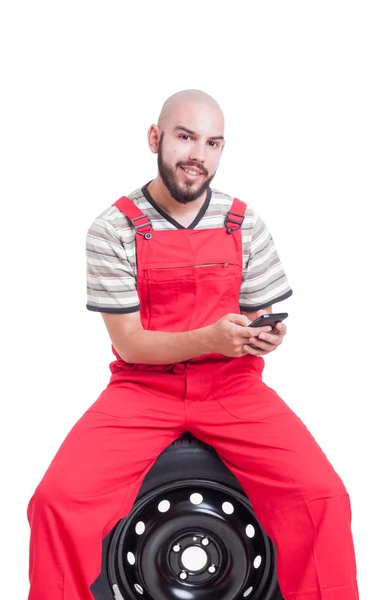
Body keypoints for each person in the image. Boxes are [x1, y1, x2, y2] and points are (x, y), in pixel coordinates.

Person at [27, 89, 359, 600]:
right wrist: (211, 338)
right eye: (185, 138)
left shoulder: (243, 221)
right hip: (143, 391)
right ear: (155, 139)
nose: (198, 156)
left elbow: (257, 315)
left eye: (213, 143)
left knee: (323, 498)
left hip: (233, 387)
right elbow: (132, 345)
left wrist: (264, 335)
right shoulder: (113, 228)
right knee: (55, 502)